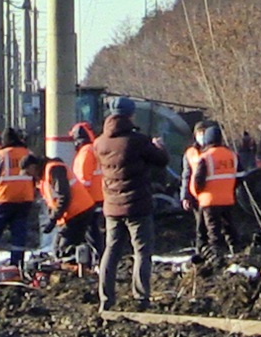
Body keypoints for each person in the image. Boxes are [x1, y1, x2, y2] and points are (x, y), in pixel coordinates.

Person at [93, 97, 170, 312]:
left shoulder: (99, 143)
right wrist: (159, 146)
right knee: (142, 251)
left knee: (111, 250)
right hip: (137, 205)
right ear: (130, 115)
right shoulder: (137, 141)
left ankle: (106, 299)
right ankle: (140, 297)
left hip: (111, 206)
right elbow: (161, 160)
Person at [25, 152, 99, 262]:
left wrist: (53, 219)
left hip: (78, 212)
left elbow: (63, 197)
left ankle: (84, 268)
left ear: (33, 166)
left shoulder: (54, 169)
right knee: (58, 250)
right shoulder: (44, 175)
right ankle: (90, 263)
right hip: (73, 213)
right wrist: (52, 218)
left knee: (64, 250)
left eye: (27, 171)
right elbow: (52, 201)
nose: (27, 174)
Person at [0, 127, 35, 272]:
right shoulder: (28, 153)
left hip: (3, 198)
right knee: (19, 232)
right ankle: (17, 264)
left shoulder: (1, 155)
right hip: (24, 199)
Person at [191, 122, 240, 262]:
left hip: (209, 200)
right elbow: (240, 177)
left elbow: (198, 180)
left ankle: (217, 255)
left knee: (213, 230)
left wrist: (198, 194)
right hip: (228, 198)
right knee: (230, 227)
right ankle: (236, 250)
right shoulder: (232, 156)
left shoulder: (205, 157)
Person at [68, 122, 105, 254]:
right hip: (99, 196)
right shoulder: (94, 149)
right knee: (92, 228)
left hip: (90, 198)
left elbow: (83, 179)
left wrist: (78, 201)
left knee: (91, 229)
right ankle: (97, 257)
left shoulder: (85, 152)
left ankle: (98, 256)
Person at [180, 122, 208, 257]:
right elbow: (186, 175)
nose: (202, 136)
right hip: (196, 195)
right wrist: (185, 196)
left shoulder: (213, 151)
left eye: (204, 133)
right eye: (199, 133)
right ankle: (201, 249)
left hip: (211, 195)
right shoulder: (190, 153)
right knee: (200, 226)